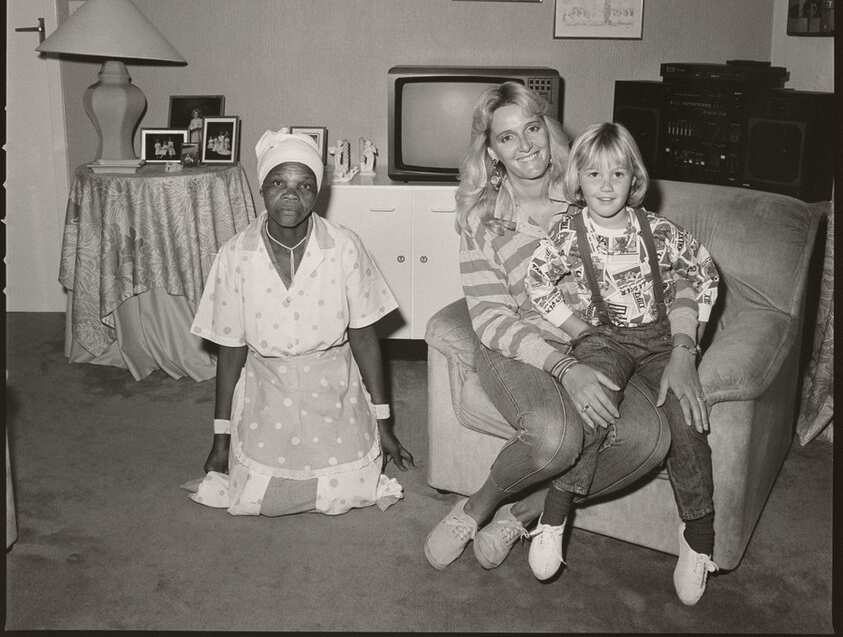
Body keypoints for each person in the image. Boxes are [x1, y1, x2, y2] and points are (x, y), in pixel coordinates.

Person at [425, 82, 670, 576]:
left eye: (532, 128)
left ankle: (522, 515)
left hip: (595, 343)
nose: (526, 145)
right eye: (507, 138)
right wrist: (564, 366)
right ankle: (476, 506)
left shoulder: (587, 191)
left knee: (649, 438)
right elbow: (492, 318)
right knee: (554, 438)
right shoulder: (482, 218)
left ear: (547, 129)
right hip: (514, 344)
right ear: (490, 150)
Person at [525, 121, 718, 603]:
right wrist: (578, 331)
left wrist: (684, 347)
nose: (606, 185)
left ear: (635, 179)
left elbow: (704, 273)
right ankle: (556, 511)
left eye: (617, 174)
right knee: (594, 402)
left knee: (686, 417)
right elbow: (538, 283)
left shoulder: (658, 231)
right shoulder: (568, 234)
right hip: (602, 338)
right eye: (593, 175)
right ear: (577, 181)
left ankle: (698, 536)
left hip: (659, 341)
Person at [185, 130, 414, 517]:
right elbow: (230, 349)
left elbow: (364, 337)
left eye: (304, 185)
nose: (291, 195)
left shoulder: (344, 247)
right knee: (254, 497)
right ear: (261, 189)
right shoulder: (235, 255)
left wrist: (383, 423)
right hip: (266, 386)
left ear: (317, 193)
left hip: (334, 386)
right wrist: (221, 439)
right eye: (278, 183)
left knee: (349, 492)